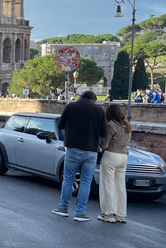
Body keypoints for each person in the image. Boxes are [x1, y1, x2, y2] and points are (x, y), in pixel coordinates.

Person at [52, 90, 108, 222]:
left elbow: (60, 125)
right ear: (94, 99)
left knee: (68, 179)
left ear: (81, 97)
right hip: (91, 150)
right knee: (86, 181)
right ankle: (80, 213)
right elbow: (104, 132)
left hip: (73, 148)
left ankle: (63, 208)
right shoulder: (99, 111)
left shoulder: (71, 106)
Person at [97, 103, 131, 223]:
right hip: (123, 156)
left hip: (111, 155)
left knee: (108, 185)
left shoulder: (111, 125)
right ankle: (121, 214)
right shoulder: (127, 125)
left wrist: (99, 146)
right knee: (120, 186)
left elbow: (105, 143)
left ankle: (109, 213)